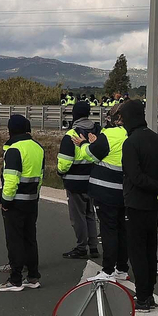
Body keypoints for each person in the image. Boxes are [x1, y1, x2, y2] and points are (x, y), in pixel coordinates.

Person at [118, 100, 158, 310]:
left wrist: (156, 186)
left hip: (136, 204)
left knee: (137, 252)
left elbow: (135, 176)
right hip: (154, 205)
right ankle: (149, 294)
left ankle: (141, 297)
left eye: (122, 118)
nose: (121, 122)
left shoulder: (131, 143)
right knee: (151, 249)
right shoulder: (156, 139)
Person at [0, 114, 45, 293]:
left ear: (10, 130)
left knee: (15, 240)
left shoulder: (14, 150)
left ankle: (15, 280)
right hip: (32, 201)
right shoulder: (38, 148)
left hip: (16, 203)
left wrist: (5, 201)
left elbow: (10, 180)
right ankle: (33, 277)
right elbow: (40, 177)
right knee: (30, 239)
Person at [86, 105, 131, 282]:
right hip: (126, 192)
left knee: (109, 230)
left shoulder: (110, 135)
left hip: (106, 192)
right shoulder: (132, 134)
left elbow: (90, 155)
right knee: (122, 230)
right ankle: (122, 268)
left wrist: (86, 144)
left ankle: (108, 270)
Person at [57, 101, 99, 260]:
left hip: (75, 182)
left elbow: (65, 162)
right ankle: (93, 246)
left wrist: (60, 172)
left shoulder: (71, 135)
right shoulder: (98, 131)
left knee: (78, 217)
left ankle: (81, 247)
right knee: (90, 213)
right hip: (93, 181)